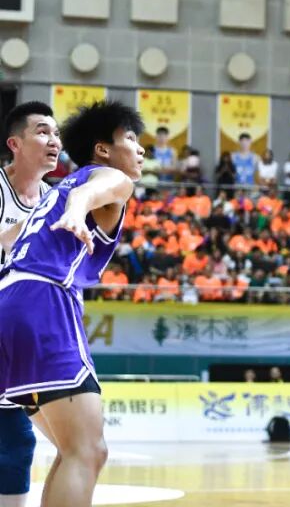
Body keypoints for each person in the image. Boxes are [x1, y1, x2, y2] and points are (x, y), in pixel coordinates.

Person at [0, 100, 143, 507]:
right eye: (131, 139)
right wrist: (79, 210)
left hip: (7, 302)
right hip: (42, 301)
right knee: (87, 451)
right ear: (103, 149)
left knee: (72, 448)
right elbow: (89, 192)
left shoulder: (52, 193)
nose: (140, 149)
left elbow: (10, 237)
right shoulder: (109, 180)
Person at [0, 102, 60, 507]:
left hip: (20, 336)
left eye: (56, 134)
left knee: (18, 442)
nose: (53, 141)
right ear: (15, 144)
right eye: (42, 131)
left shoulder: (53, 199)